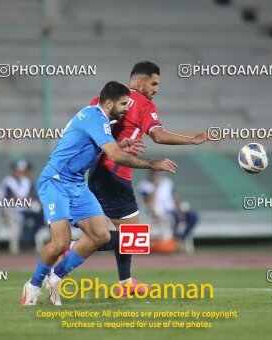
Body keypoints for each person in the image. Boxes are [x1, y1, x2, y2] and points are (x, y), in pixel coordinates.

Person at [21, 81, 177, 305]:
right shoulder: (95, 117)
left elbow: (92, 145)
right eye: (123, 104)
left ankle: (55, 277)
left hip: (76, 184)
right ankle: (33, 285)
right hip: (55, 182)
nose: (126, 109)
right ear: (109, 102)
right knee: (61, 243)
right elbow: (114, 156)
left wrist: (119, 143)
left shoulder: (102, 119)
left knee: (101, 235)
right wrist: (154, 164)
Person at [86, 61, 208, 295]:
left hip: (97, 171)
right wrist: (192, 139)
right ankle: (70, 249)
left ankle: (125, 282)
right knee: (132, 237)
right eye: (154, 83)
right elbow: (158, 136)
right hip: (116, 174)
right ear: (140, 82)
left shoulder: (106, 99)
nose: (156, 89)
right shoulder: (143, 104)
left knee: (130, 235)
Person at [139, 169, 199, 252]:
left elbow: (175, 197)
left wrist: (180, 210)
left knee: (193, 216)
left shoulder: (167, 182)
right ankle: (173, 242)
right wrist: (156, 187)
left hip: (172, 209)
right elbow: (148, 201)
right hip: (158, 212)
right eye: (154, 174)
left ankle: (182, 238)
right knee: (172, 218)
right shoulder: (144, 185)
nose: (156, 176)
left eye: (157, 174)